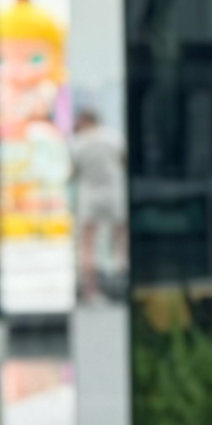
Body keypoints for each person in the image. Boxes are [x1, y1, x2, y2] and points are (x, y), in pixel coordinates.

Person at [69, 104, 127, 302]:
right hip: (115, 193)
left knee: (87, 245)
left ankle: (91, 291)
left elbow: (72, 172)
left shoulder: (77, 142)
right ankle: (122, 282)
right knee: (121, 240)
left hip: (90, 196)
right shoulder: (114, 138)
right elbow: (124, 162)